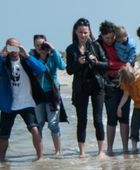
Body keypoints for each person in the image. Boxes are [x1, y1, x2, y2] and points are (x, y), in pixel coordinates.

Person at [0, 38, 46, 162]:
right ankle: (2, 160)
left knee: (35, 129)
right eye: (10, 47)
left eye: (15, 47)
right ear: (6, 48)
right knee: (4, 134)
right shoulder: (4, 63)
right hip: (8, 104)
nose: (13, 50)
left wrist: (27, 55)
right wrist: (2, 55)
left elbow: (41, 69)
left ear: (20, 47)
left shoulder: (26, 61)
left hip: (26, 103)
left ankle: (40, 157)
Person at [66, 18, 108, 158]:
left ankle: (101, 151)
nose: (83, 35)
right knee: (81, 120)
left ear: (90, 32)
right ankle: (82, 152)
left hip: (97, 85)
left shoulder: (96, 46)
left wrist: (95, 62)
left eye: (85, 32)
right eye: (80, 32)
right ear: (75, 32)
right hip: (80, 87)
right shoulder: (71, 48)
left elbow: (106, 65)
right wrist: (78, 62)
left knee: (98, 119)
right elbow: (69, 70)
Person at [29, 35, 66, 156]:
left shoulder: (52, 55)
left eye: (43, 45)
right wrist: (41, 58)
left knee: (53, 124)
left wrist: (53, 50)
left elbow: (62, 66)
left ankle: (57, 152)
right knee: (38, 123)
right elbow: (33, 71)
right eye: (37, 46)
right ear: (34, 46)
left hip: (52, 93)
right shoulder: (32, 57)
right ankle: (39, 153)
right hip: (38, 94)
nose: (41, 48)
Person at [98, 21, 131, 155]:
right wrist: (118, 64)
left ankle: (125, 148)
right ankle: (109, 149)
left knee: (124, 116)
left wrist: (117, 64)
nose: (110, 40)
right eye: (107, 38)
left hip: (124, 81)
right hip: (108, 83)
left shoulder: (121, 43)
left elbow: (129, 60)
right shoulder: (98, 45)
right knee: (111, 117)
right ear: (102, 36)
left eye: (112, 37)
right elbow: (101, 64)